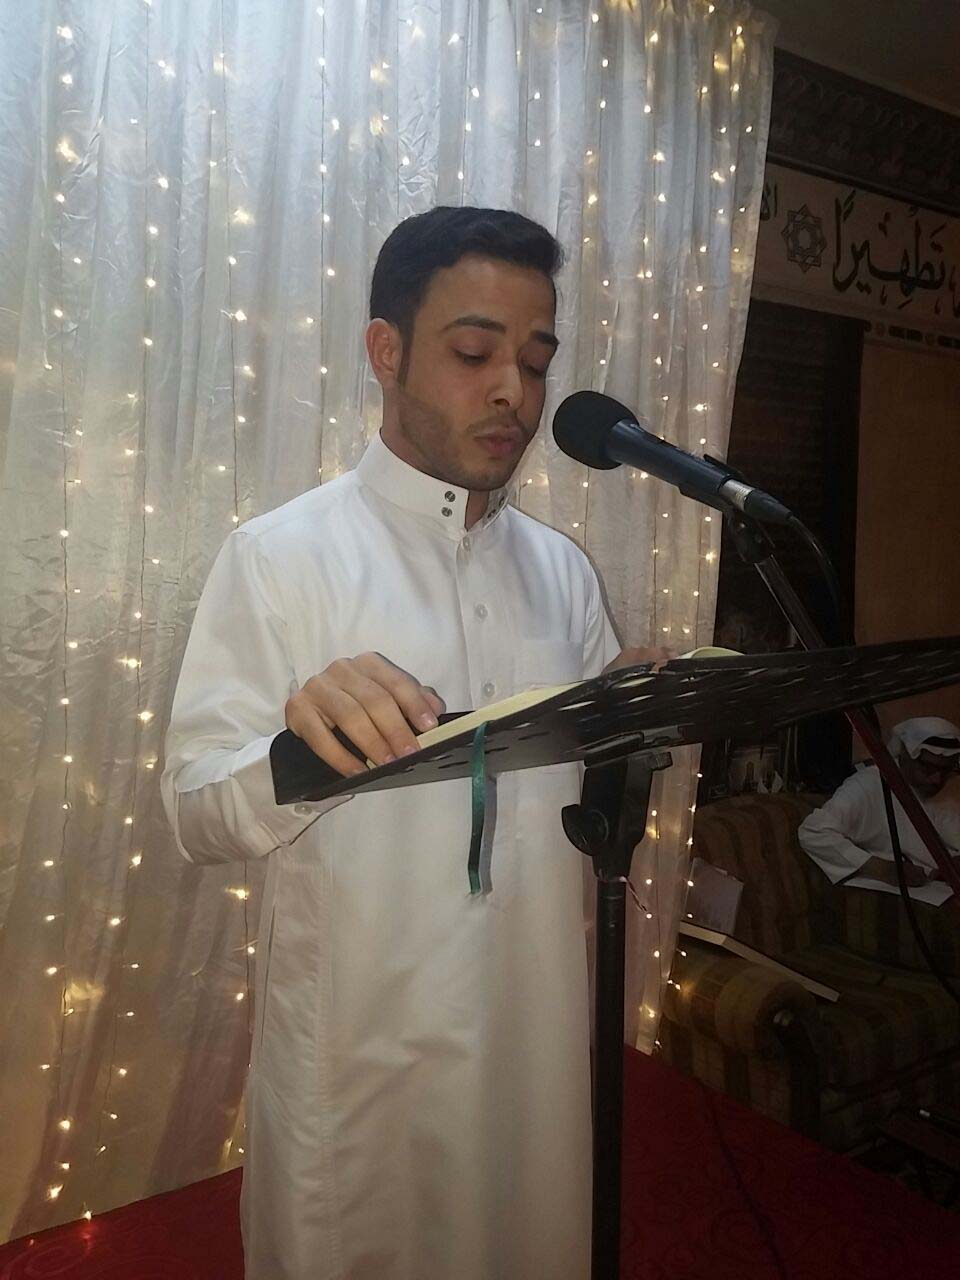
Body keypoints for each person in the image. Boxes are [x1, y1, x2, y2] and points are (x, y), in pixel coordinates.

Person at [161, 207, 649, 1280]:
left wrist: (640, 711)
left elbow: (588, 787)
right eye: (475, 353)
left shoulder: (561, 571)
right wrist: (303, 749)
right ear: (386, 351)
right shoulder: (280, 557)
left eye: (535, 360)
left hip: (534, 1045)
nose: (515, 392)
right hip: (363, 1065)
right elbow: (195, 809)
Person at [798, 716, 960, 905]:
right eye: (928, 768)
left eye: (946, 770)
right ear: (905, 755)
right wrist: (880, 868)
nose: (936, 780)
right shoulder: (869, 785)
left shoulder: (949, 787)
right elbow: (814, 832)